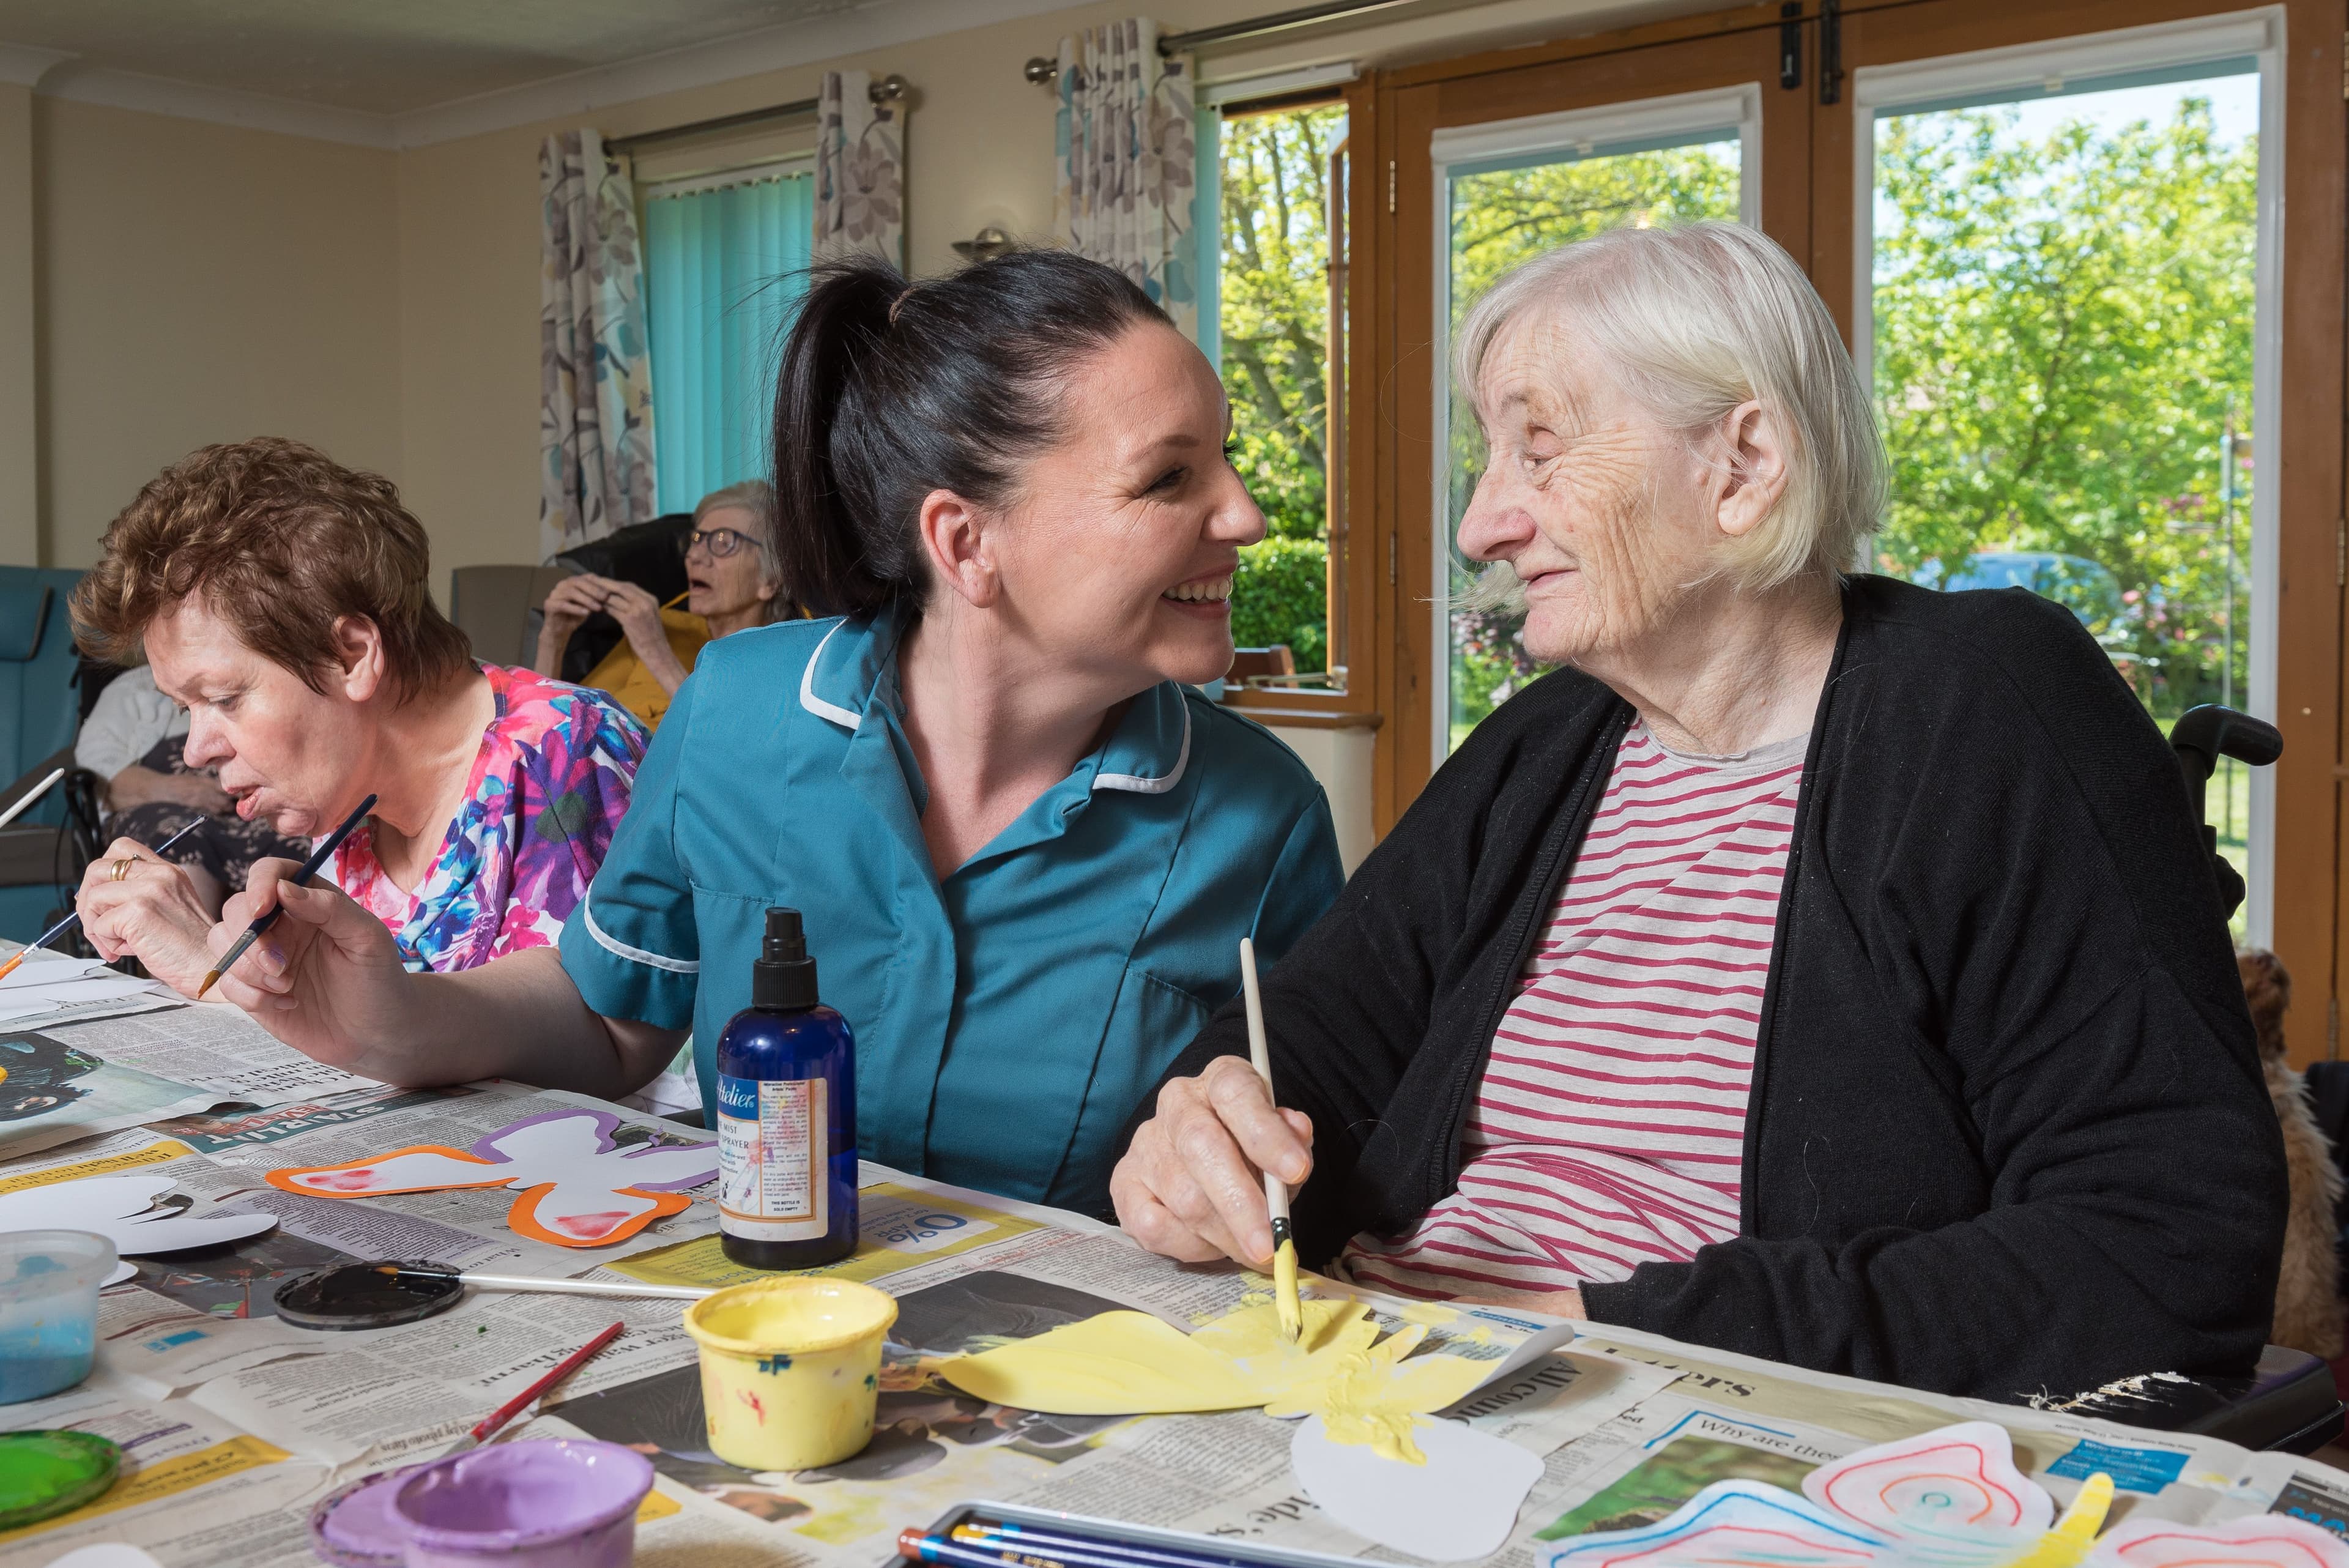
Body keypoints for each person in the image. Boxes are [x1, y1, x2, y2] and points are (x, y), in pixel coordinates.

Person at [1110, 221, 2285, 1401]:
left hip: (1658, 1399)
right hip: (1388, 1358)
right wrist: (1207, 1122)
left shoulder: (1980, 706)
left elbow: (2163, 1247)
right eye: (1490, 459)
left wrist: (1612, 1326)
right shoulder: (1548, 739)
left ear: (1742, 465)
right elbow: (1306, 1035)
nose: (1482, 525)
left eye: (1542, 450)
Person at [196, 250, 1345, 1214]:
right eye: (1171, 478)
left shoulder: (1264, 815)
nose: (1245, 512)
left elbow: (1304, 1152)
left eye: (1229, 460)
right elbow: (612, 1016)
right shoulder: (738, 707)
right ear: (964, 542)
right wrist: (397, 1018)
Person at [69, 437, 649, 995]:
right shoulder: (347, 793)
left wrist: (210, 965)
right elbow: (355, 1032)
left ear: (352, 657)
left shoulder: (567, 756)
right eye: (184, 708)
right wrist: (210, 966)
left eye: (223, 698)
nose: (195, 750)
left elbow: (582, 1055)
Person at [533, 480, 790, 729]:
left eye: (724, 542)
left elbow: (732, 754)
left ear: (770, 579)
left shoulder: (784, 663)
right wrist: (553, 639)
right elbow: (549, 724)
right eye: (697, 539)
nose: (694, 556)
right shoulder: (663, 625)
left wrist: (656, 651)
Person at [73, 664, 310, 918]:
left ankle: (284, 949)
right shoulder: (130, 689)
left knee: (295, 834)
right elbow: (101, 774)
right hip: (163, 807)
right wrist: (175, 790)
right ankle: (191, 944)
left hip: (247, 804)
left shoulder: (246, 675)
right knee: (179, 836)